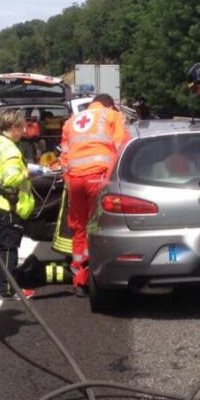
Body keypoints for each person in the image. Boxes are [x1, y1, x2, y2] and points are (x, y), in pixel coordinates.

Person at [59, 93, 129, 296]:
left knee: (79, 227)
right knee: (97, 227)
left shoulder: (71, 122)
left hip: (75, 180)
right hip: (97, 177)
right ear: (110, 105)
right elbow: (121, 147)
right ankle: (92, 277)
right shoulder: (111, 116)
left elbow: (64, 155)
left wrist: (69, 179)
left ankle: (78, 275)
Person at [0, 109, 36, 298]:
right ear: (14, 127)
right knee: (8, 248)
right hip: (7, 204)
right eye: (22, 127)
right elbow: (11, 178)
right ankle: (8, 287)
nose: (25, 132)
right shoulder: (11, 149)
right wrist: (27, 173)